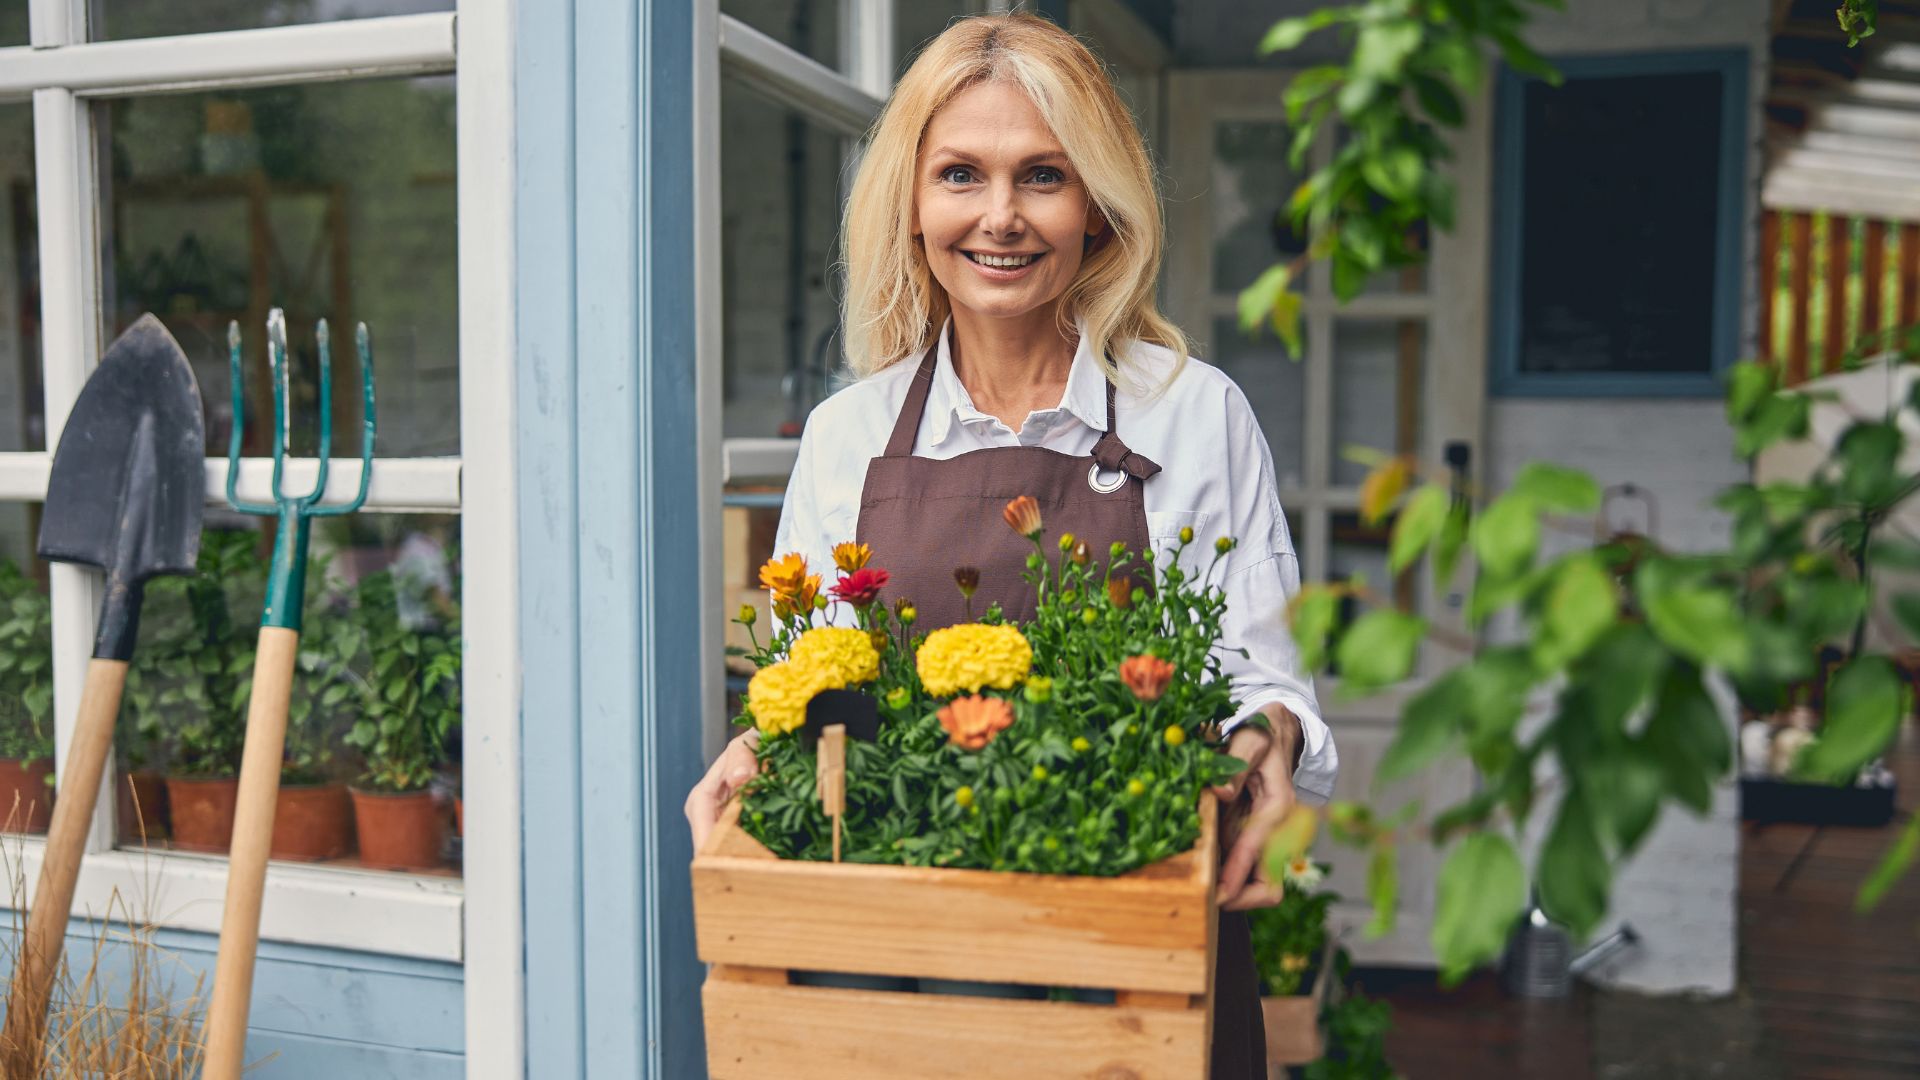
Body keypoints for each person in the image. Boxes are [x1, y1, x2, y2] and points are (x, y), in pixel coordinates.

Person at [685, 12, 1337, 1075]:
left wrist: (1266, 742)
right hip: (902, 973)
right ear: (912, 202)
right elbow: (822, 686)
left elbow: (1266, 678)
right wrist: (761, 746)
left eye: (1042, 175)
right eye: (960, 176)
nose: (1001, 217)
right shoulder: (852, 435)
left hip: (1140, 971)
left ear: (1097, 207)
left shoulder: (1191, 415)